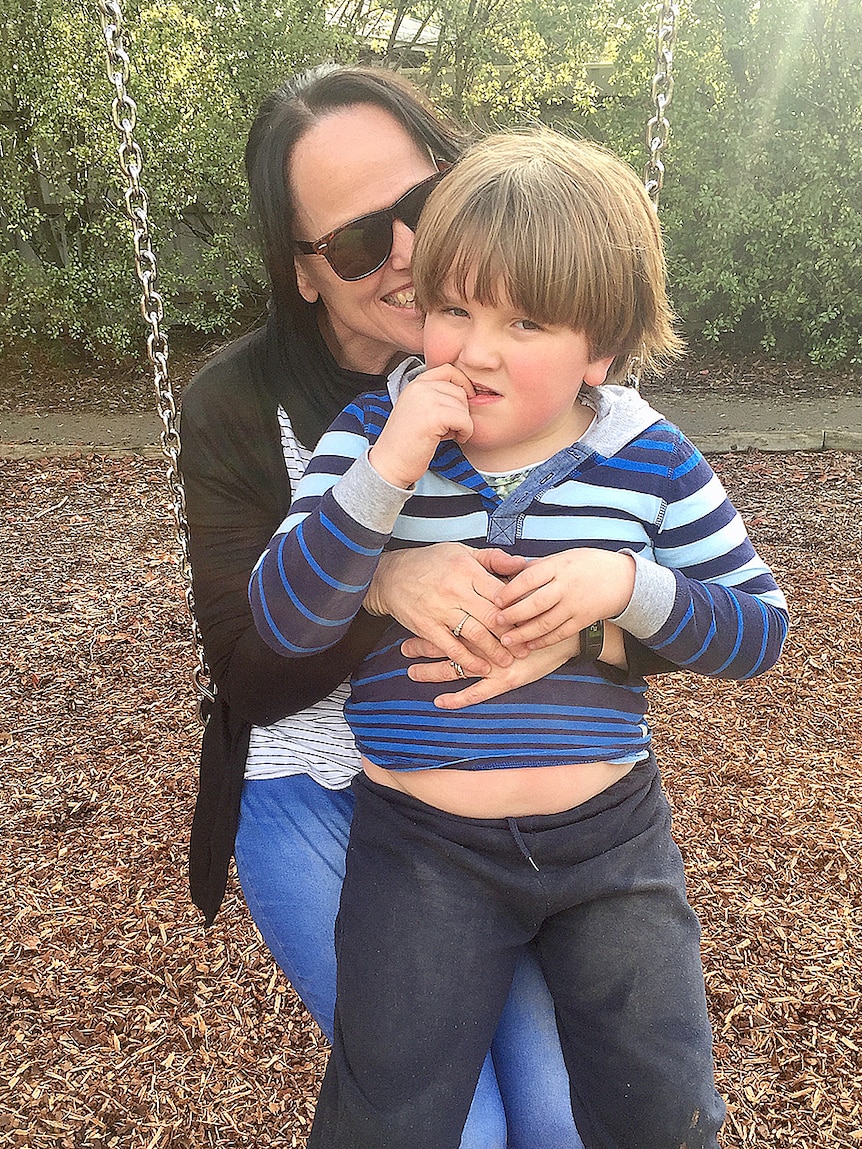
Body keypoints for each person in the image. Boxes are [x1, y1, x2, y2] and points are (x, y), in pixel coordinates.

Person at [249, 130, 790, 1149]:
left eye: (525, 320)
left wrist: (628, 586)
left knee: (661, 1103)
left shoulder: (652, 461)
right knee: (390, 1108)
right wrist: (387, 478)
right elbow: (281, 618)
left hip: (610, 845)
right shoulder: (373, 434)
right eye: (453, 307)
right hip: (420, 851)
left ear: (601, 349)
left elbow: (757, 632)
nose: (475, 347)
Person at [180, 64, 671, 1149]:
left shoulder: (557, 372)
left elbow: (672, 620)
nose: (403, 254)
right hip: (310, 776)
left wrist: (588, 619)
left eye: (419, 208)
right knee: (462, 1132)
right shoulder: (238, 404)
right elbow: (244, 667)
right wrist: (383, 580)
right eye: (358, 243)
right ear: (305, 273)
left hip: (500, 801)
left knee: (562, 1120)